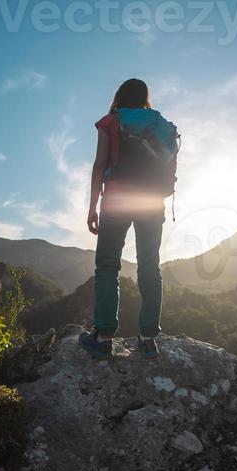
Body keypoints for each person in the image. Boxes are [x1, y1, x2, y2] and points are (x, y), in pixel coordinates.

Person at [79, 78, 178, 361]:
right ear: (145, 97)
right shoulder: (160, 123)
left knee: (108, 265)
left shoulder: (111, 121)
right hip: (151, 201)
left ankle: (103, 336)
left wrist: (92, 207)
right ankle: (148, 339)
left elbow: (100, 164)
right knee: (150, 266)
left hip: (118, 200)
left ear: (120, 95)